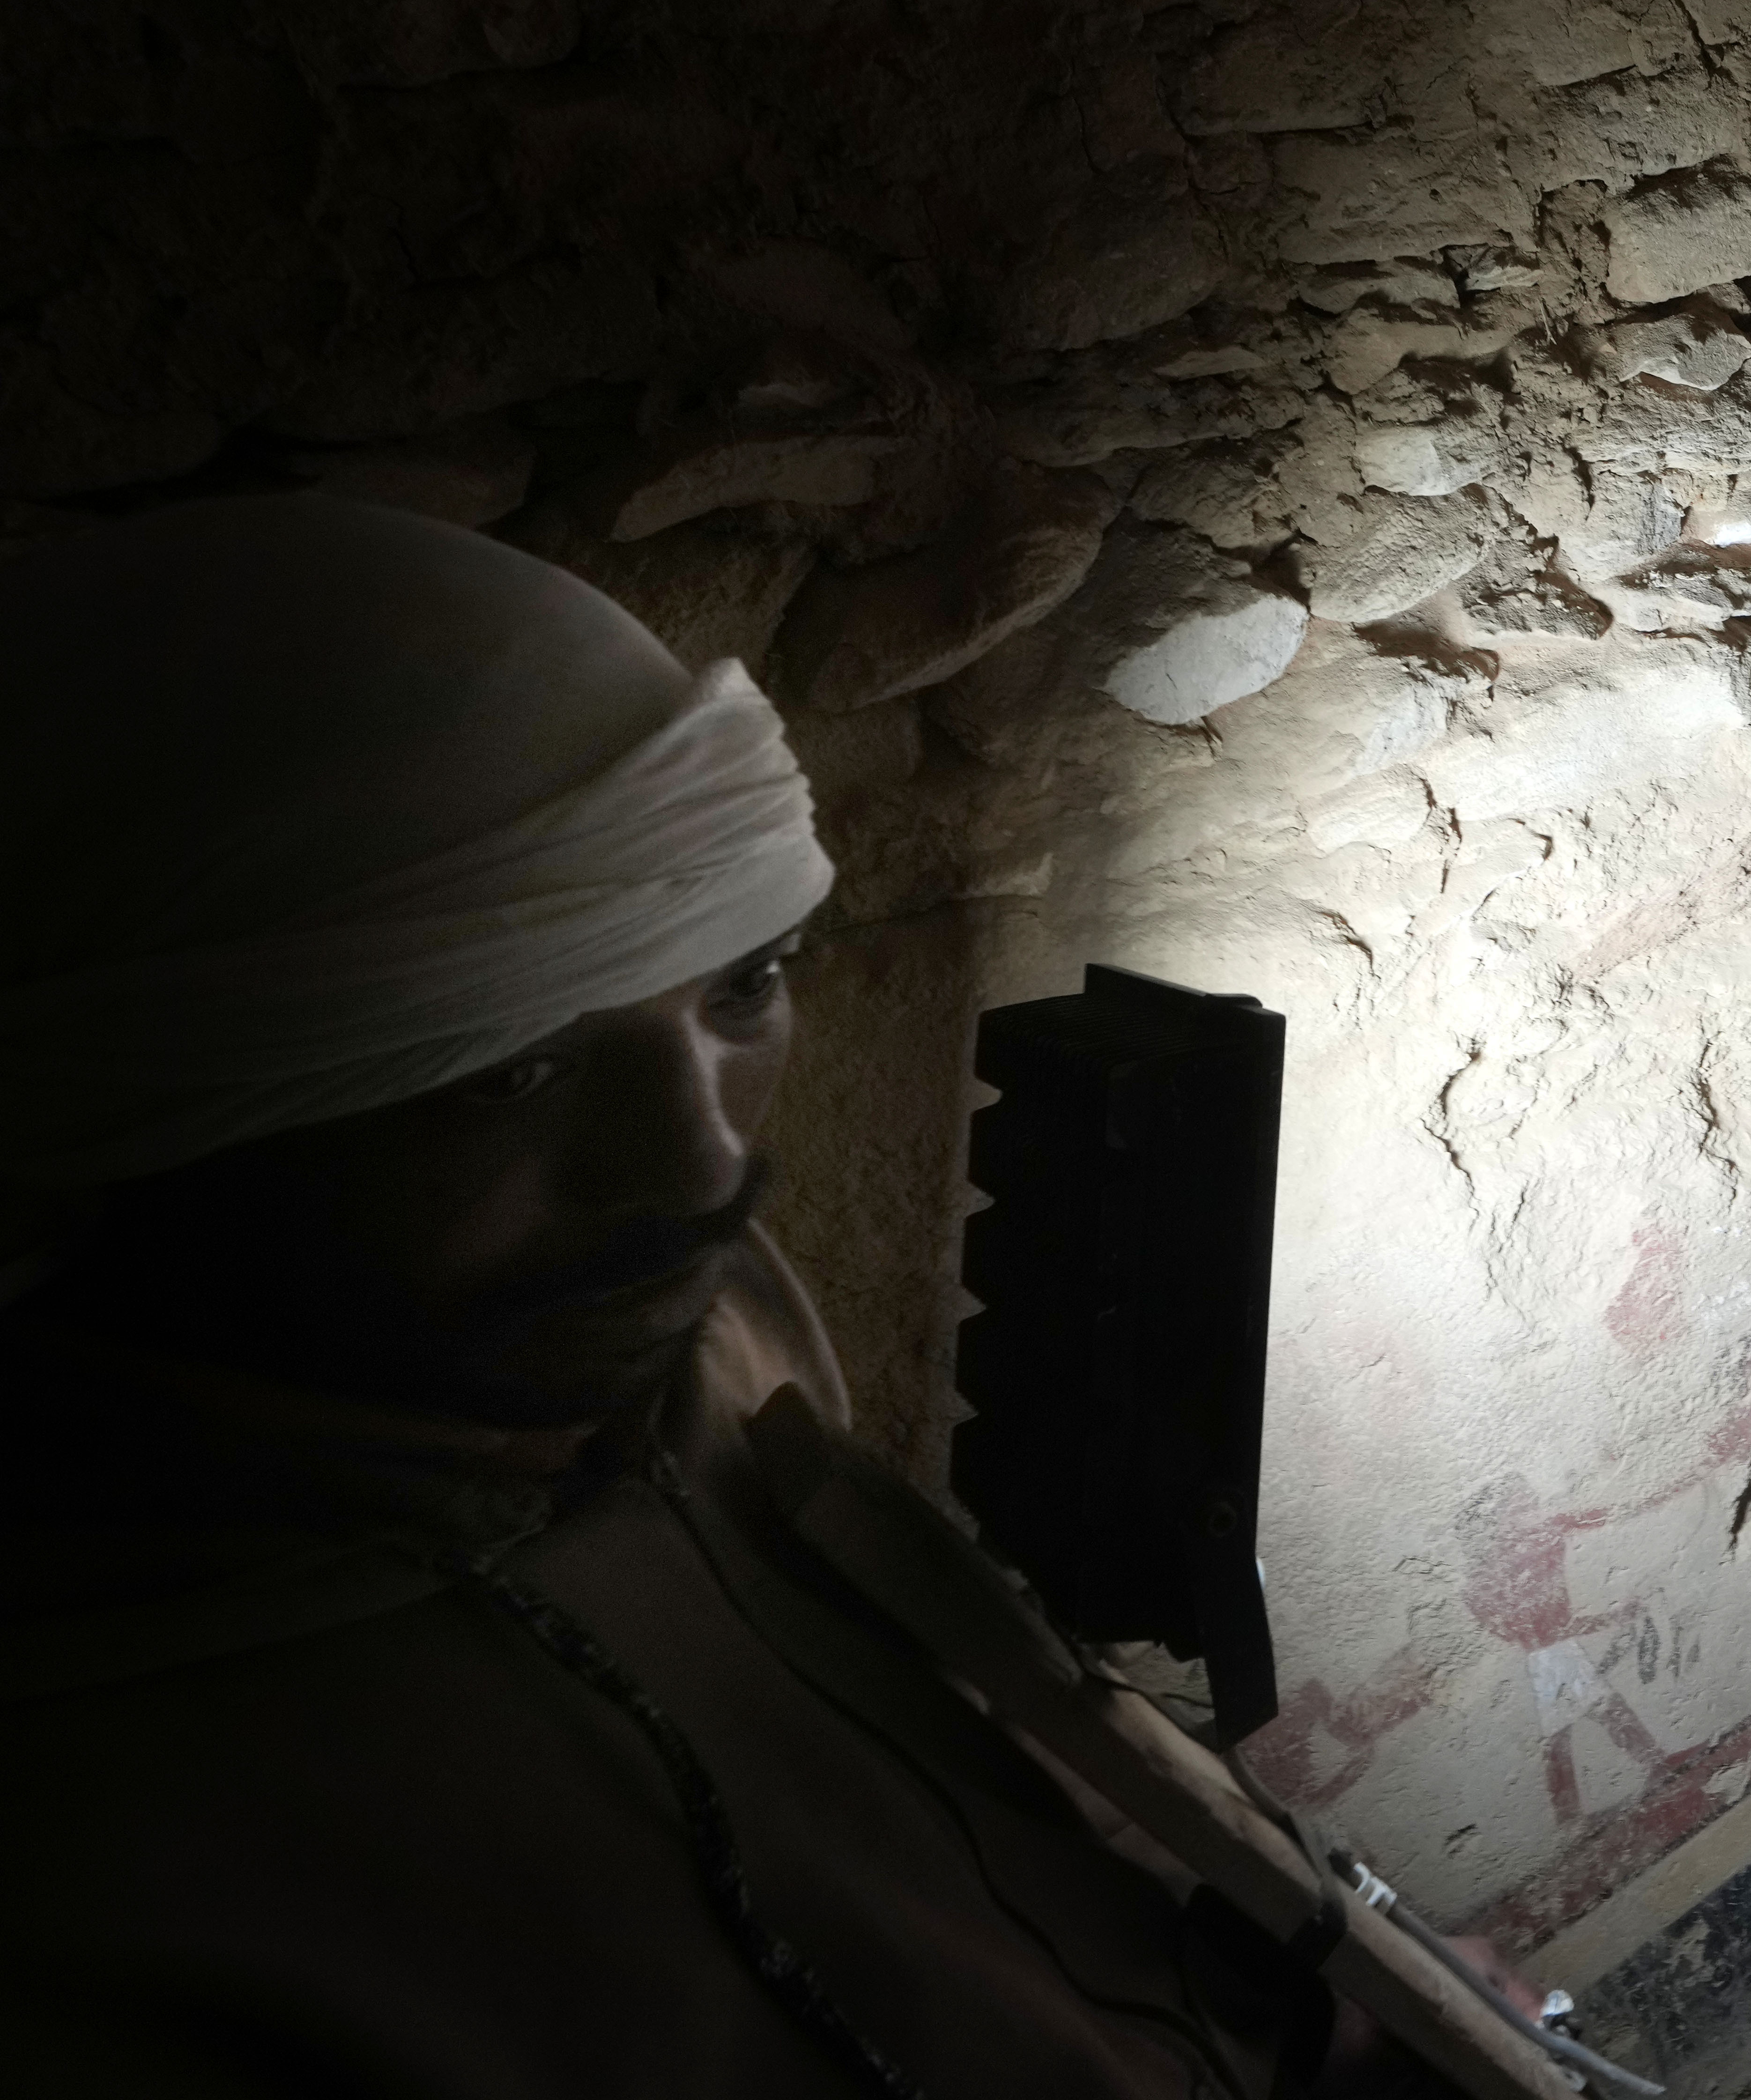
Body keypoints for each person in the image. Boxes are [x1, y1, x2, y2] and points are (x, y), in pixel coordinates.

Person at [0, 496, 1507, 2098]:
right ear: (135, 1134)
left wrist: (1334, 1997)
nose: (702, 1160)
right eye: (508, 1075)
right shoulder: (94, 1876)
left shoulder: (698, 1334)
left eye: (746, 987)